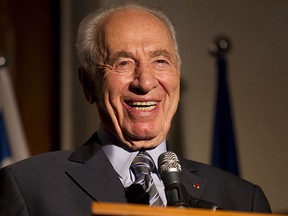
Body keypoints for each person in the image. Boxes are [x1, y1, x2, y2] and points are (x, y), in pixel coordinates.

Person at [0, 3, 271, 216]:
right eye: (123, 63)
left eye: (161, 61)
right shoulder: (30, 187)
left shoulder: (241, 199)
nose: (146, 81)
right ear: (87, 84)